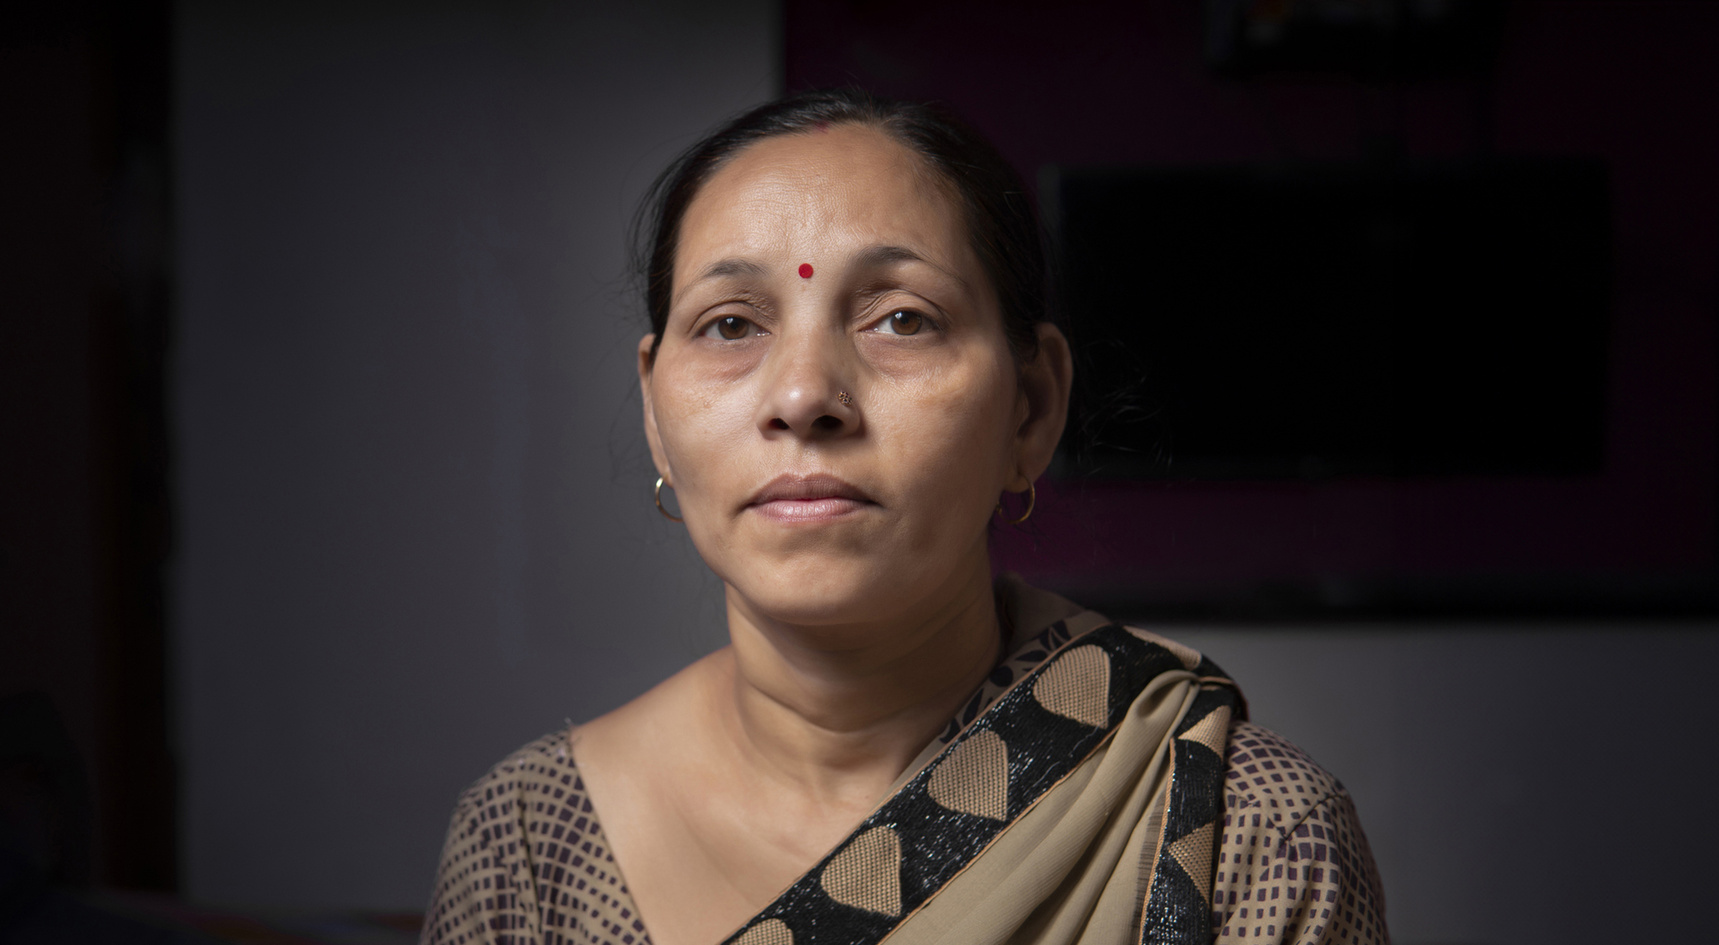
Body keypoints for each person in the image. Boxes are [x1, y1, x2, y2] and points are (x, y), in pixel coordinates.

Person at [422, 89, 1388, 945]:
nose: (803, 396)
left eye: (901, 318)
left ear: (1033, 407)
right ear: (657, 419)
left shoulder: (1237, 822)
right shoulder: (531, 843)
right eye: (730, 325)